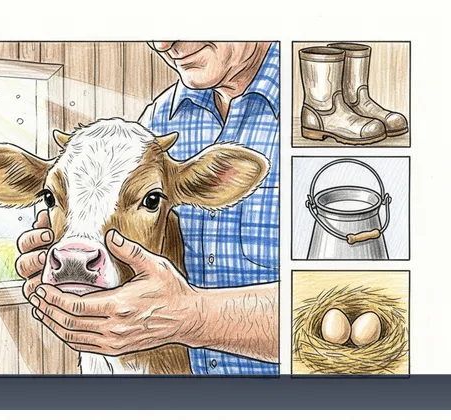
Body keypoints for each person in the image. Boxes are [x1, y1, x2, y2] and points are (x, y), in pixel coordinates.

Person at [16, 42, 279, 374]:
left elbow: (355, 301)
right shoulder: (159, 116)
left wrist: (193, 317)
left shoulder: (318, 118)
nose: (163, 43)